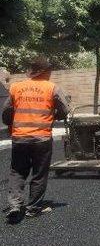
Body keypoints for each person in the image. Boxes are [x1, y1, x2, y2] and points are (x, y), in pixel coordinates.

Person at [2, 56, 69, 223]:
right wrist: (54, 116)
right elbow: (65, 109)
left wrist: (12, 125)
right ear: (45, 71)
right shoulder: (52, 88)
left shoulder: (16, 87)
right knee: (39, 173)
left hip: (20, 137)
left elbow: (6, 113)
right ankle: (33, 209)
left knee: (17, 171)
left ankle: (15, 205)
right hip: (42, 138)